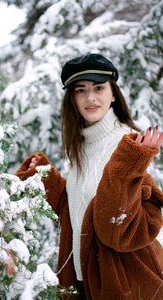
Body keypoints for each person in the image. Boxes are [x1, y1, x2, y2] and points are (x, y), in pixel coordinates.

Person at [15, 53, 163, 300]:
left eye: (99, 88)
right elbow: (80, 212)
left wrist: (128, 165)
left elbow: (119, 228)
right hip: (87, 281)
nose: (90, 97)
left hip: (128, 282)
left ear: (113, 94)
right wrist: (46, 180)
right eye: (80, 90)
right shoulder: (80, 146)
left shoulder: (127, 145)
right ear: (72, 99)